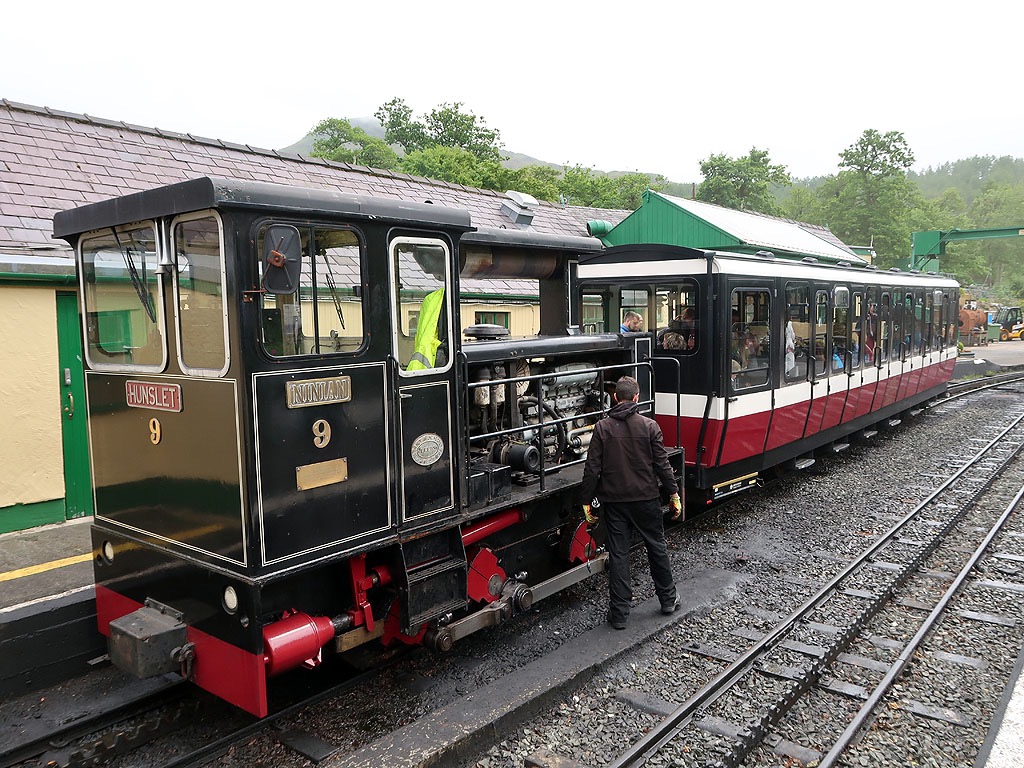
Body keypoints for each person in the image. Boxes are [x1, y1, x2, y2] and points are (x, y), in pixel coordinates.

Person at [579, 376, 682, 630]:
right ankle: (668, 600)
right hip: (646, 499)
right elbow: (662, 465)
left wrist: (586, 503)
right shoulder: (650, 426)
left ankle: (619, 614)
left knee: (619, 554)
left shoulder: (602, 428)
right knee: (656, 547)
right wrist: (674, 494)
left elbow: (592, 469)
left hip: (614, 502)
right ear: (636, 398)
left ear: (615, 397)